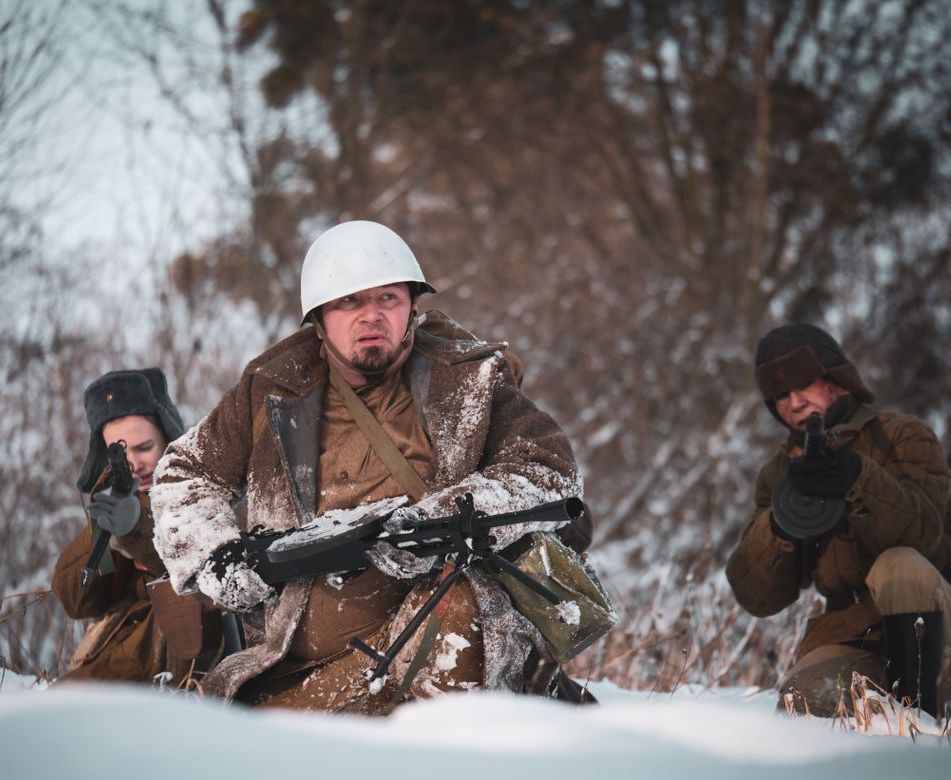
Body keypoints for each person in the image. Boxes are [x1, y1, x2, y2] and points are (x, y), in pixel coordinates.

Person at [149, 220, 586, 712]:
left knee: (458, 604)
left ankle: (455, 765)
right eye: (349, 302)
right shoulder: (272, 386)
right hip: (291, 670)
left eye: (388, 299)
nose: (371, 316)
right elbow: (185, 474)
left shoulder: (469, 379)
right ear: (320, 319)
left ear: (411, 308)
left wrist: (441, 522)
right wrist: (222, 558)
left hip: (430, 642)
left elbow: (549, 472)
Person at [727, 323, 951, 716]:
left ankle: (922, 724)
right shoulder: (781, 474)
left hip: (944, 632)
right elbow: (757, 597)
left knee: (898, 565)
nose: (792, 402)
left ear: (838, 380)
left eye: (803, 384)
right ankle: (887, 720)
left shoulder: (903, 436)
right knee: (805, 700)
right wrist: (781, 525)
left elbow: (926, 536)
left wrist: (856, 477)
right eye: (778, 396)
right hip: (855, 636)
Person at [52, 368, 230, 685]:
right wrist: (102, 536)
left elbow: (204, 561)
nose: (134, 463)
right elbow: (75, 601)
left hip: (196, 659)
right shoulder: (110, 500)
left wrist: (136, 525)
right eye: (120, 454)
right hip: (129, 654)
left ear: (168, 438)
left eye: (144, 447)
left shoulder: (211, 485)